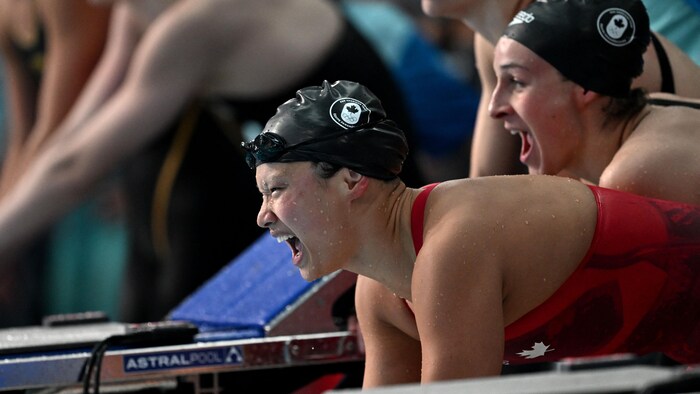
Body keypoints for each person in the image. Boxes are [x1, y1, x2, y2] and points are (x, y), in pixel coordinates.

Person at [243, 79, 700, 386]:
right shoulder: (379, 295)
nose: (264, 216)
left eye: (276, 189)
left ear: (349, 180)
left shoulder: (452, 245)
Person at [0, 0, 433, 323]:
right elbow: (69, 145)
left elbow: (78, 168)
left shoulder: (201, 22)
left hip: (378, 233)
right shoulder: (138, 12)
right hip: (312, 213)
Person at [420, 0, 700, 178]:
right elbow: (481, 186)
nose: (496, 108)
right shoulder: (494, 44)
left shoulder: (579, 40)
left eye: (516, 82)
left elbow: (562, 219)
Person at [489, 0, 700, 206]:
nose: (494, 108)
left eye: (517, 82)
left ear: (585, 85)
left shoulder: (631, 175)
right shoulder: (658, 108)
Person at [0, 0, 122, 325]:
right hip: (59, 171)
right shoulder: (6, 11)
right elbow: (22, 137)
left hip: (103, 182)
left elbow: (57, 130)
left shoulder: (67, 5)